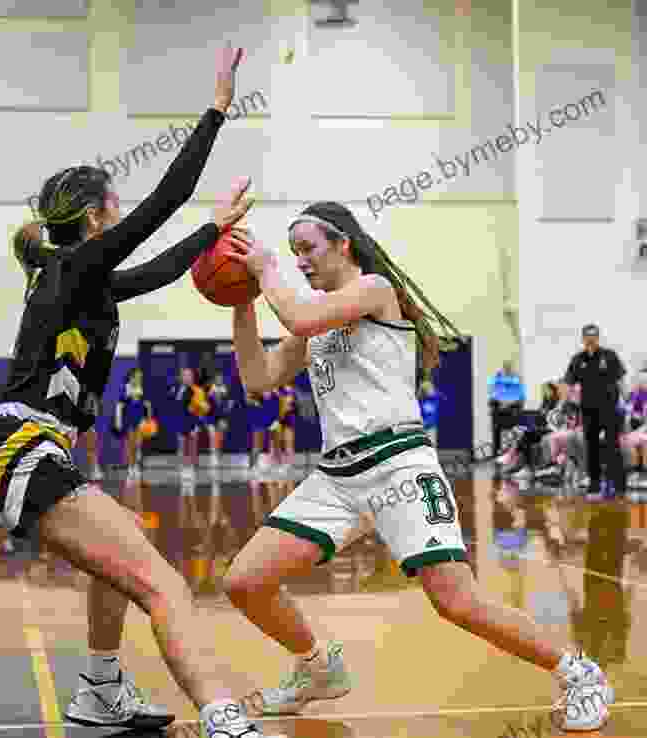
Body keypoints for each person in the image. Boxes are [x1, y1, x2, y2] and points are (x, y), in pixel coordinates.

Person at [221, 201, 613, 732]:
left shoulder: (373, 289)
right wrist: (240, 299)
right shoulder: (315, 320)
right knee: (245, 581)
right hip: (338, 477)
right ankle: (318, 669)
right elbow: (258, 378)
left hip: (398, 467)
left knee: (457, 602)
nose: (300, 261)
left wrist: (266, 269)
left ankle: (579, 672)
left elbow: (300, 315)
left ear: (344, 244)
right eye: (293, 254)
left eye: (308, 248)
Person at [0, 44, 265, 738]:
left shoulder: (83, 276)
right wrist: (218, 109)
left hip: (28, 449)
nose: (124, 213)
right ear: (99, 217)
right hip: (22, 448)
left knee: (125, 553)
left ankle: (100, 691)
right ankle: (226, 718)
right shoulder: (75, 264)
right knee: (164, 586)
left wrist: (216, 228)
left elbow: (163, 268)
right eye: (117, 208)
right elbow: (164, 203)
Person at [563, 325, 627, 496]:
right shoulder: (577, 359)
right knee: (591, 447)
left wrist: (625, 401)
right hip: (589, 411)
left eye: (594, 337)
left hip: (609, 409)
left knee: (613, 446)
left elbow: (621, 380)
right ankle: (595, 483)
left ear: (598, 338)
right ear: (583, 339)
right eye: (587, 337)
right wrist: (570, 402)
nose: (591, 340)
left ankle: (618, 483)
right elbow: (568, 384)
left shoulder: (610, 355)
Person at [113, 367, 151, 482]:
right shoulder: (125, 389)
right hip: (129, 421)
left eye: (140, 377)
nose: (139, 378)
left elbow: (147, 406)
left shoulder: (142, 389)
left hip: (139, 421)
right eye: (137, 376)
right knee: (130, 446)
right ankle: (130, 470)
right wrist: (118, 421)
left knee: (138, 446)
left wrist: (147, 418)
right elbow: (119, 407)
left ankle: (136, 468)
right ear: (131, 377)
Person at [488, 360, 526, 457]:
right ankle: (496, 451)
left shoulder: (516, 379)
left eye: (509, 368)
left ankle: (516, 451)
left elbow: (520, 397)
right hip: (500, 411)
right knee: (496, 425)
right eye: (505, 368)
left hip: (512, 410)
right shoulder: (498, 379)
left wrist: (509, 403)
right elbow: (493, 395)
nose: (507, 370)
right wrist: (499, 402)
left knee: (517, 428)